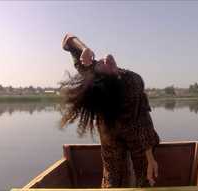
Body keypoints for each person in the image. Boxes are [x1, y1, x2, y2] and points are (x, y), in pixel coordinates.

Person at [60, 34, 160, 188]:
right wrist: (84, 48)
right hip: (109, 128)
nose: (104, 59)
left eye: (99, 63)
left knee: (145, 172)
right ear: (112, 75)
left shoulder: (101, 75)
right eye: (104, 65)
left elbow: (142, 121)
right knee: (112, 174)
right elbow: (141, 121)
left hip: (133, 128)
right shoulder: (123, 81)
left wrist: (150, 158)